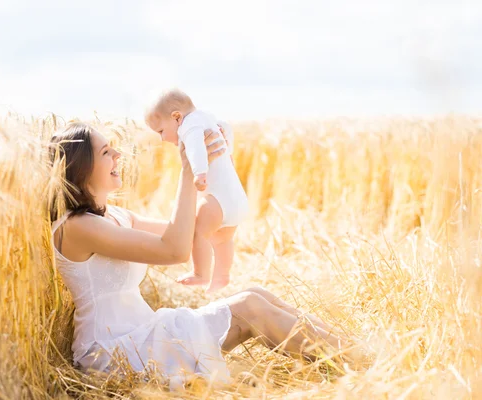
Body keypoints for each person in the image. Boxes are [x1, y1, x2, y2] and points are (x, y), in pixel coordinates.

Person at [49, 122, 357, 388]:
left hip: (144, 334)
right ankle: (358, 363)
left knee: (254, 293)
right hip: (113, 353)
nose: (117, 155)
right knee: (248, 306)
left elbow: (188, 230)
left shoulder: (114, 215)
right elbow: (175, 250)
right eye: (105, 152)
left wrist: (215, 167)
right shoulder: (77, 227)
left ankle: (351, 351)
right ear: (80, 167)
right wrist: (188, 172)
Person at [145, 89, 248, 292]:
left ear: (176, 117)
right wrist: (230, 150)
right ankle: (223, 275)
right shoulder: (207, 117)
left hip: (217, 199)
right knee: (223, 239)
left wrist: (199, 172)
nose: (162, 139)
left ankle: (200, 274)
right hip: (238, 199)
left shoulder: (189, 125)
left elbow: (195, 148)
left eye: (160, 131)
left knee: (198, 233)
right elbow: (225, 127)